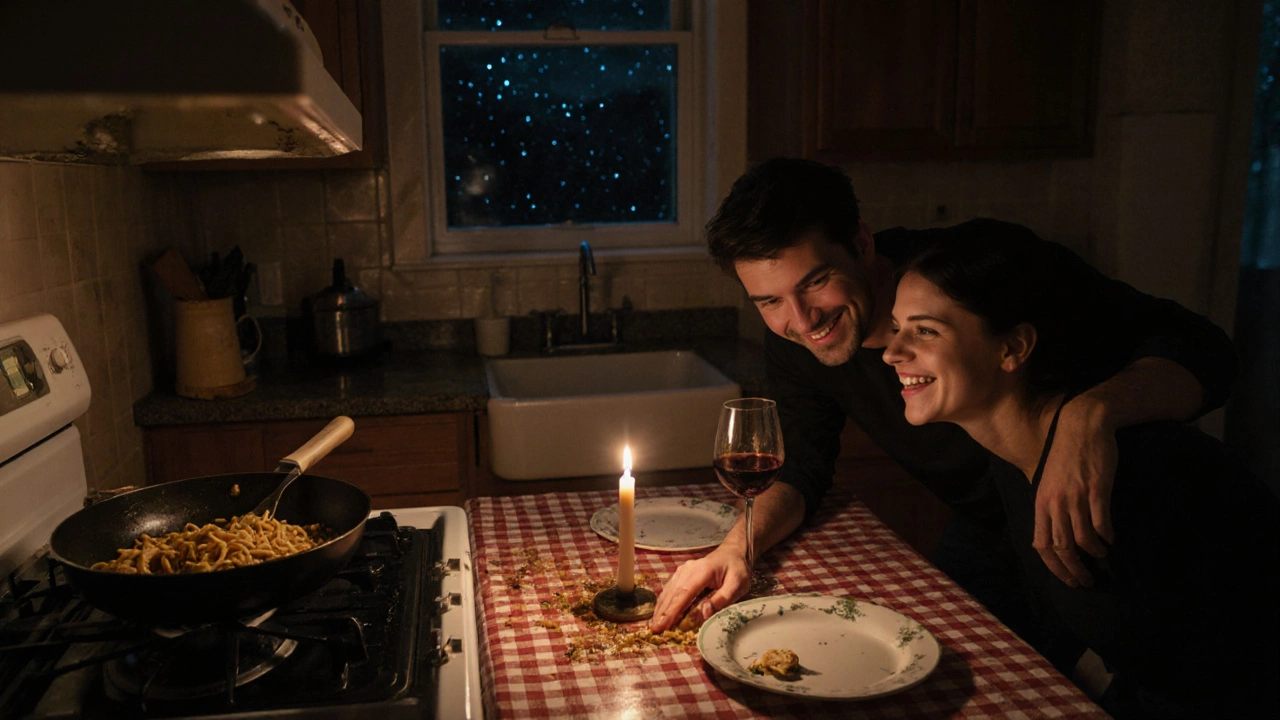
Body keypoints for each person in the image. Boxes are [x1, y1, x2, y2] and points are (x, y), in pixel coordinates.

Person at [649, 158, 1238, 678]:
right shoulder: (798, 343)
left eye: (815, 282)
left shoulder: (977, 274)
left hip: (1115, 521)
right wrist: (736, 547)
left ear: (861, 241)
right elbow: (802, 466)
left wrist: (1090, 418)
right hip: (990, 531)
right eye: (770, 301)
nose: (801, 322)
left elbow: (1205, 347)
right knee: (920, 670)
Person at [882, 230, 1280, 717]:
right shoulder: (1012, 466)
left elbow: (1228, 672)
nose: (892, 351)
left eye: (925, 330)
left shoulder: (1138, 476)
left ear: (1012, 348)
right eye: (897, 326)